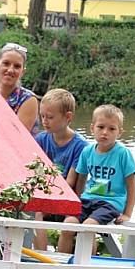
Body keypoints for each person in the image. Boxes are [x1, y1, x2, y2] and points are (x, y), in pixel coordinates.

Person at [57, 104, 135, 254]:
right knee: (68, 225)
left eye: (112, 129)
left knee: (88, 227)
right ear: (92, 128)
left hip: (110, 203)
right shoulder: (87, 151)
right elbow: (81, 178)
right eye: (100, 127)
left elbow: (132, 186)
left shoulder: (123, 154)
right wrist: (78, 199)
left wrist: (127, 213)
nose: (105, 132)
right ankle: (62, 268)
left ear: (120, 132)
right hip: (88, 199)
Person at [32, 88, 89, 250]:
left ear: (68, 117)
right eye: (42, 116)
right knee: (34, 211)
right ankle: (40, 258)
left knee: (69, 224)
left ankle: (59, 264)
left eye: (50, 117)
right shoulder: (41, 139)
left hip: (70, 199)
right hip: (48, 195)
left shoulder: (81, 146)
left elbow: (69, 182)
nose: (44, 121)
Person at [0, 42, 40, 135]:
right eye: (6, 63)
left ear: (23, 71)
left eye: (17, 66)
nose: (10, 70)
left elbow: (16, 137)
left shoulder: (28, 99)